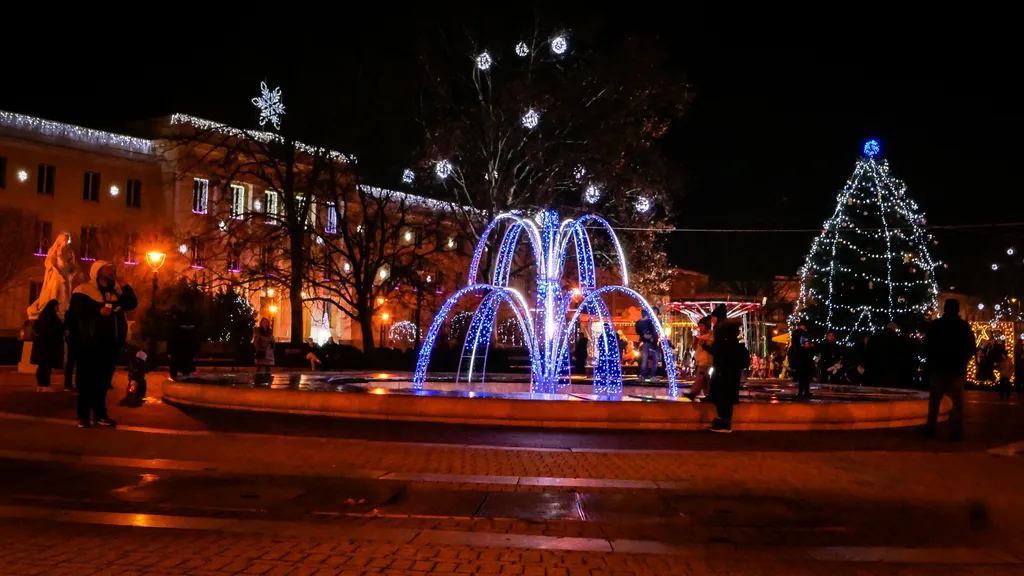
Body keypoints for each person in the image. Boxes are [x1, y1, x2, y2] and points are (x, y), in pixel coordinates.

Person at [66, 261, 138, 428]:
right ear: (97, 271)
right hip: (89, 344)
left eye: (112, 268)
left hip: (110, 344)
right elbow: (76, 311)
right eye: (107, 268)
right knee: (86, 381)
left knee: (103, 381)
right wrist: (98, 310)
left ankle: (100, 414)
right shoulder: (84, 290)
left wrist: (125, 286)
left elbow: (131, 303)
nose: (111, 271)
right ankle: (83, 416)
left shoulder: (116, 290)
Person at [920, 299, 975, 442]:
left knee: (935, 400)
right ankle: (956, 431)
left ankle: (931, 427)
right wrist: (963, 360)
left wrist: (932, 359)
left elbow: (927, 345)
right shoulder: (963, 327)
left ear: (945, 309)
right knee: (958, 403)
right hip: (957, 369)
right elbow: (971, 347)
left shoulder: (937, 325)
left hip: (939, 367)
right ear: (957, 310)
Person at [705, 304, 745, 433]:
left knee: (722, 395)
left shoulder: (721, 331)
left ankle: (723, 423)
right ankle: (724, 421)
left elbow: (720, 352)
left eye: (713, 317)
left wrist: (706, 347)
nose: (711, 320)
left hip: (723, 369)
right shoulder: (729, 331)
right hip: (730, 369)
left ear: (717, 318)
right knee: (726, 395)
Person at [30, 300, 64, 392]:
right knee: (46, 367)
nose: (57, 308)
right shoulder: (52, 318)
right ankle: (45, 385)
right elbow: (57, 329)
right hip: (48, 346)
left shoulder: (42, 317)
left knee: (42, 367)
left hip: (41, 346)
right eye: (56, 306)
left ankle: (40, 385)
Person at [687, 316, 713, 401]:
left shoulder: (708, 337)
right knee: (705, 379)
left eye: (702, 326)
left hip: (705, 362)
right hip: (701, 361)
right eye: (700, 326)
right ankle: (708, 395)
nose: (700, 328)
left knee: (700, 378)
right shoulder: (702, 337)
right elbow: (697, 349)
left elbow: (706, 349)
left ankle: (693, 393)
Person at [634, 309, 660, 382]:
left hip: (653, 343)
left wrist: (652, 337)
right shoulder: (647, 321)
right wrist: (644, 335)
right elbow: (639, 329)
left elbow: (656, 332)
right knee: (645, 359)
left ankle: (650, 376)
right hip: (648, 342)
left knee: (653, 360)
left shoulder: (655, 322)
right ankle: (644, 376)